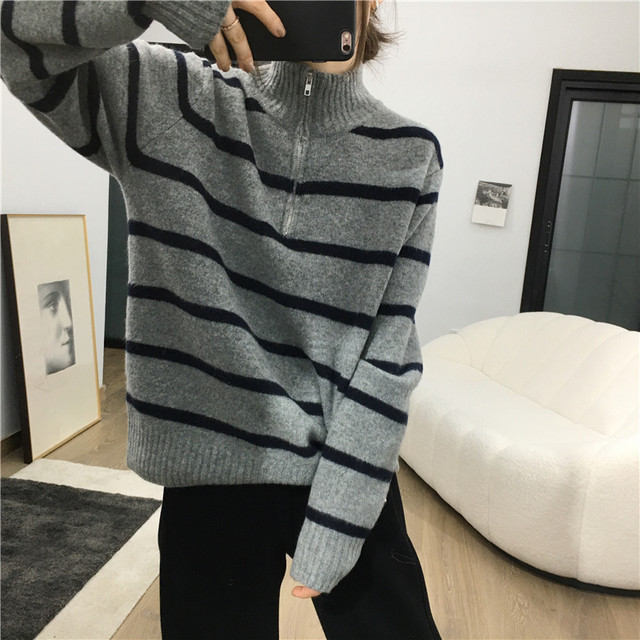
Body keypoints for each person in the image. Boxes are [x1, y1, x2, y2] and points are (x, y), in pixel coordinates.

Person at [2, 0, 444, 637]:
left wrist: (339, 520)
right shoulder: (167, 95)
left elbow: (389, 354)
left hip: (344, 462)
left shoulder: (410, 155)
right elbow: (14, 42)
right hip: (208, 474)